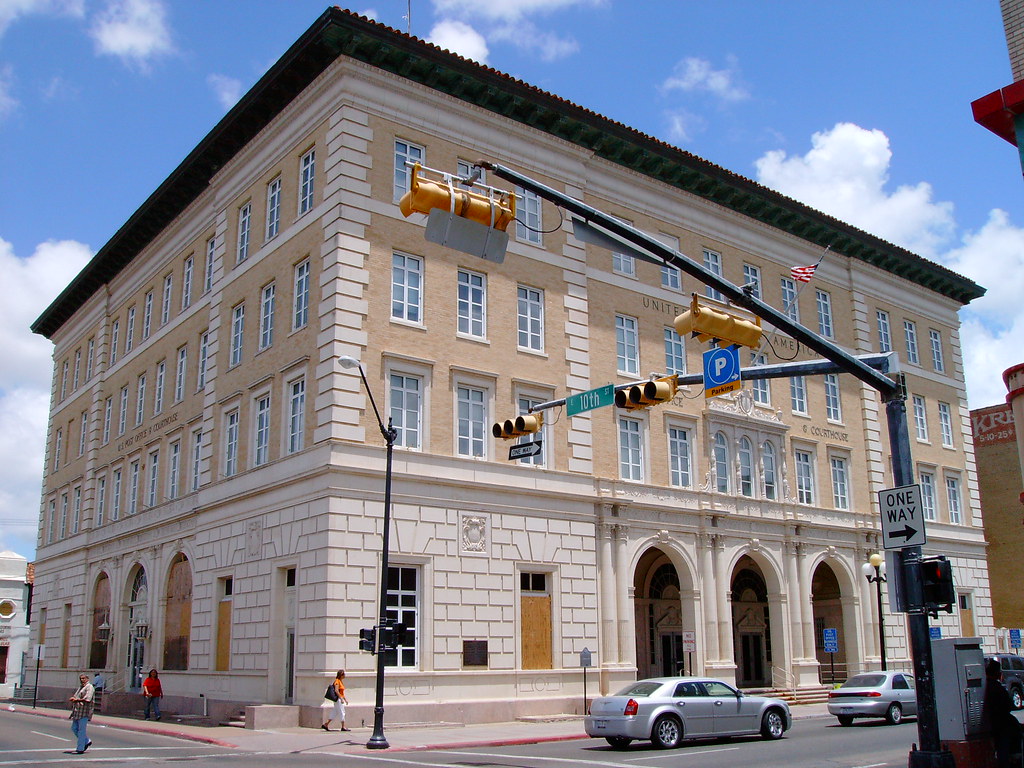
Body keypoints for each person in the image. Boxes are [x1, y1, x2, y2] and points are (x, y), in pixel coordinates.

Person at [984, 658, 1022, 768]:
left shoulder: (986, 686)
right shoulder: (996, 687)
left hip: (994, 724)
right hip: (1002, 725)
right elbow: (1008, 705)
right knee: (1005, 749)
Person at [68, 673, 95, 754]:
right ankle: (87, 741)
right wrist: (73, 698)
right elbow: (76, 695)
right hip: (77, 712)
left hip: (84, 712)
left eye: (83, 678)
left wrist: (77, 700)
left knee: (81, 730)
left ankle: (80, 748)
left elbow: (88, 699)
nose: (82, 680)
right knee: (74, 728)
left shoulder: (89, 687)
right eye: (81, 678)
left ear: (87, 679)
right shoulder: (81, 687)